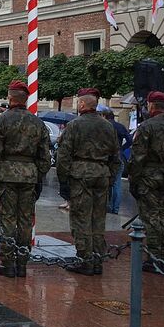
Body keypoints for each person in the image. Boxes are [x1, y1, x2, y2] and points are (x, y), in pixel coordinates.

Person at [0, 81, 52, 277]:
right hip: (29, 176)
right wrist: (38, 175)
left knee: (7, 220)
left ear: (10, 97)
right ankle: (22, 262)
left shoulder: (1, 121)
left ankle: (8, 263)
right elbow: (45, 156)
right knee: (25, 220)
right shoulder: (37, 123)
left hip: (7, 175)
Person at [55, 88, 119, 275]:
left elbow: (63, 156)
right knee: (98, 219)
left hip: (81, 175)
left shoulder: (75, 125)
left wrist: (64, 181)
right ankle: (97, 259)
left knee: (81, 219)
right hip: (102, 174)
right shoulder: (108, 126)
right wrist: (110, 177)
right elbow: (115, 157)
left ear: (82, 104)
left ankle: (85, 260)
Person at [129, 91, 164, 272]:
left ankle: (154, 258)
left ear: (151, 105)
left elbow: (138, 157)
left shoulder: (146, 127)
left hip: (149, 178)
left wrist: (134, 179)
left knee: (151, 218)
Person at [98, 105, 132, 214]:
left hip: (106, 158)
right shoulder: (120, 126)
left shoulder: (104, 126)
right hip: (118, 157)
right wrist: (123, 148)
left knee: (105, 183)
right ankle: (115, 208)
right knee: (117, 184)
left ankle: (106, 206)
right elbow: (130, 140)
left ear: (104, 116)